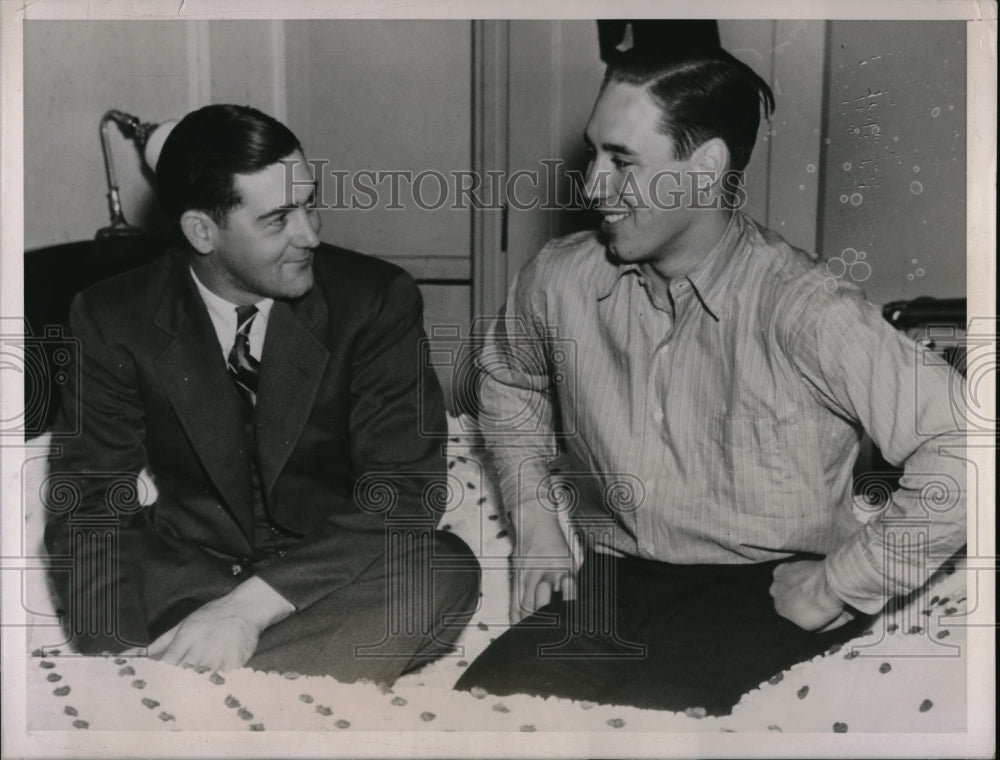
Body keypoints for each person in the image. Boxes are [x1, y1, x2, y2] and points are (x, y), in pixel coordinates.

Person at [456, 48, 967, 714]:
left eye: (622, 161)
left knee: (649, 729)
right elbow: (508, 379)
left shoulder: (808, 308)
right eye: (594, 154)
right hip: (614, 581)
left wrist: (840, 583)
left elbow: (969, 448)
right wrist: (536, 525)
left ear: (705, 168)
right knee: (483, 715)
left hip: (761, 593)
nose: (593, 187)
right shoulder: (560, 278)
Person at [44, 104, 480, 683]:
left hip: (326, 579)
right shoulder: (110, 315)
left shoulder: (375, 300)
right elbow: (89, 504)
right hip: (182, 583)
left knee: (444, 568)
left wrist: (244, 612)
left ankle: (186, 702)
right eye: (278, 219)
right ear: (203, 231)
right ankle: (236, 694)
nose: (311, 234)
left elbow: (401, 493)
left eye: (310, 203)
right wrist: (115, 667)